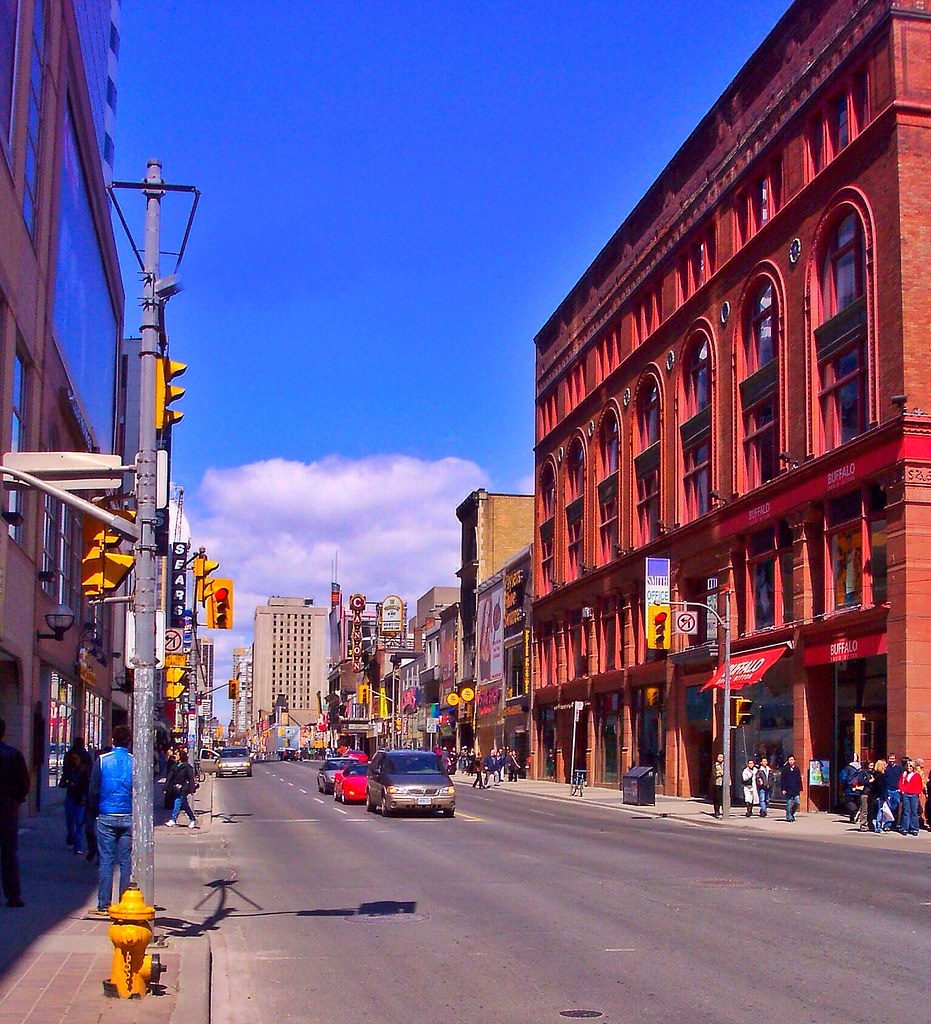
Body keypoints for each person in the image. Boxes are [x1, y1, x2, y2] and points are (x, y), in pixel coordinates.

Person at [89, 724, 133, 916]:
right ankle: (124, 902)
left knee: (106, 860)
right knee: (125, 862)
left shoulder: (102, 761)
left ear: (113, 740)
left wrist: (94, 812)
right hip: (128, 815)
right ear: (129, 742)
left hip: (106, 814)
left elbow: (93, 790)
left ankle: (104, 904)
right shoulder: (134, 761)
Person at [0, 718, 30, 907]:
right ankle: (13, 895)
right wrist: (18, 800)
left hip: (8, 807)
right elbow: (24, 782)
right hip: (7, 809)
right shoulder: (13, 755)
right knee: (9, 854)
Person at [60, 738, 91, 856]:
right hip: (80, 796)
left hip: (74, 794)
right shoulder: (85, 757)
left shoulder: (70, 757)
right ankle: (76, 845)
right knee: (78, 821)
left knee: (73, 820)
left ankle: (74, 841)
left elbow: (65, 774)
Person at [165, 748, 198, 828]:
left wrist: (192, 788)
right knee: (184, 805)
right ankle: (193, 819)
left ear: (181, 757)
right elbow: (170, 777)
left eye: (177, 755)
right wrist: (166, 786)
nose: (175, 756)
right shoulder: (175, 766)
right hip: (175, 788)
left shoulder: (187, 767)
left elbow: (190, 778)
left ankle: (173, 819)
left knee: (177, 802)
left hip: (183, 788)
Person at [898, 757, 923, 836]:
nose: (909, 768)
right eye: (908, 766)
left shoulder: (917, 775)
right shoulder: (904, 775)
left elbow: (920, 785)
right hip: (906, 794)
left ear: (913, 767)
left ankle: (914, 828)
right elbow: (900, 783)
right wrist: (902, 790)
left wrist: (917, 792)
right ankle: (904, 828)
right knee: (906, 811)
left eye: (911, 767)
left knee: (914, 812)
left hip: (914, 795)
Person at [884, 752, 903, 831]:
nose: (891, 760)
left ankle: (895, 824)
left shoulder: (899, 768)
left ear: (895, 759)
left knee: (896, 808)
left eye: (893, 759)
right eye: (890, 759)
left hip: (896, 790)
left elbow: (902, 779)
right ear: (888, 759)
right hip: (888, 790)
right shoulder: (886, 768)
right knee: (888, 808)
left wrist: (900, 789)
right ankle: (887, 825)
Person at [869, 758, 888, 833]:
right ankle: (878, 827)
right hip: (879, 796)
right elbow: (881, 787)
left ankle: (878, 826)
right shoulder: (880, 776)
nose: (886, 766)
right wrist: (885, 796)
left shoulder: (875, 775)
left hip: (875, 795)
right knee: (880, 811)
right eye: (884, 764)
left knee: (879, 811)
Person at [781, 754, 803, 821]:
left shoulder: (797, 769)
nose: (791, 761)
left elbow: (799, 779)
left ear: (794, 761)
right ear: (788, 761)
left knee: (797, 802)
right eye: (790, 760)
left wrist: (800, 788)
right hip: (788, 789)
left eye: (792, 760)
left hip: (795, 789)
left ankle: (792, 813)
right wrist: (783, 789)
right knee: (789, 804)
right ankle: (789, 816)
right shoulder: (785, 769)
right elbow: (783, 780)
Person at [840, 757, 862, 822]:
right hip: (858, 788)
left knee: (848, 802)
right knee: (857, 802)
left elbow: (843, 778)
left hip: (849, 788)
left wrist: (844, 785)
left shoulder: (847, 768)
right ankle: (853, 817)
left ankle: (854, 812)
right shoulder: (860, 768)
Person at [710, 752, 725, 818]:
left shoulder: (725, 764)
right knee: (717, 798)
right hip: (717, 783)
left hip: (725, 783)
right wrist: (720, 773)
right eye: (719, 757)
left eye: (722, 757)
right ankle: (716, 811)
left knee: (724, 798)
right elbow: (714, 773)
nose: (720, 758)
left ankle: (724, 811)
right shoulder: (715, 764)